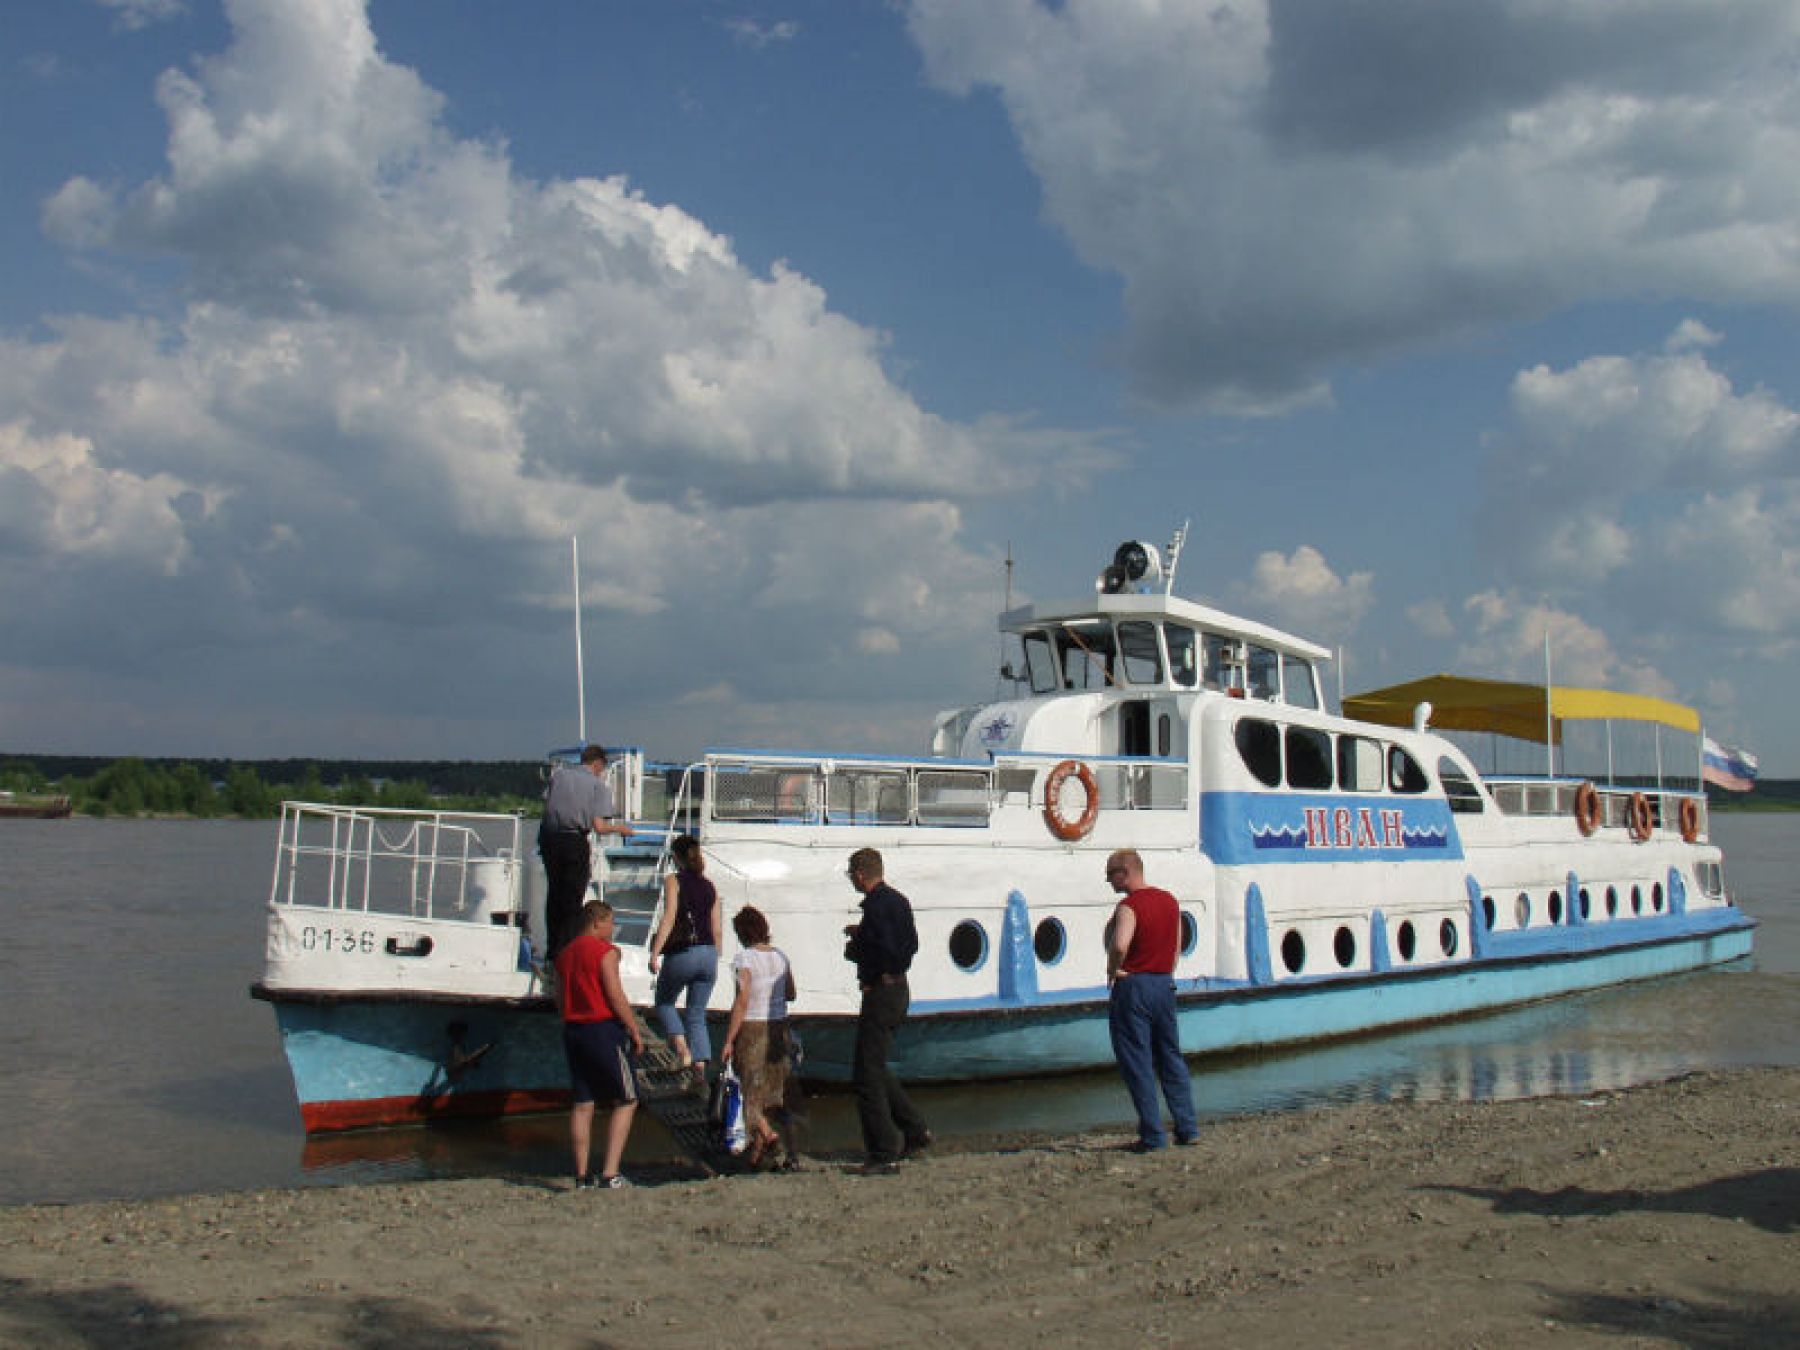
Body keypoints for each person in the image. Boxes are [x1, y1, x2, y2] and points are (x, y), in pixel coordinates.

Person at [842, 848, 932, 1174]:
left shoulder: (878, 906)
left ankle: (883, 1151)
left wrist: (858, 949)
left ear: (861, 874)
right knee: (876, 1066)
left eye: (851, 873)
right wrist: (864, 936)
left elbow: (885, 947)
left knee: (865, 1075)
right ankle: (915, 1129)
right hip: (898, 988)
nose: (851, 878)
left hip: (882, 990)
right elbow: (909, 943)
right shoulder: (897, 900)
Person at [1103, 849, 1199, 1151]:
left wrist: (1113, 967)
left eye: (1110, 875)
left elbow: (1120, 943)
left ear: (1125, 873)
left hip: (1134, 985)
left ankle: (1153, 1135)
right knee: (1171, 1057)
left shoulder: (1129, 906)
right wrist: (1167, 971)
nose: (1108, 881)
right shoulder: (1170, 901)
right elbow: (1177, 945)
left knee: (1138, 1062)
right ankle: (1188, 1127)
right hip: (1163, 984)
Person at [555, 899, 643, 1189]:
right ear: (597, 922)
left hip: (573, 1029)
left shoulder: (564, 954)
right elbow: (614, 993)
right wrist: (633, 1028)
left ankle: (581, 1176)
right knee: (627, 1099)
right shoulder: (605, 953)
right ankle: (610, 1172)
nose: (613, 928)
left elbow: (559, 996)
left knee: (582, 1103)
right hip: (601, 1028)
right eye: (611, 922)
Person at [719, 904, 800, 1170]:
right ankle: (789, 1154)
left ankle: (768, 1135)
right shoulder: (781, 957)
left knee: (749, 1093)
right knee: (778, 1094)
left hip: (753, 1028)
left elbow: (742, 1001)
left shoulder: (743, 960)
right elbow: (791, 993)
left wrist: (729, 1039)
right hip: (779, 1027)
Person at [538, 745, 633, 960]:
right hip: (574, 841)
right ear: (597, 763)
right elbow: (599, 827)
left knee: (554, 895)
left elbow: (548, 804)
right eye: (602, 768)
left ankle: (552, 949)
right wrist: (620, 828)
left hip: (549, 838)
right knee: (572, 899)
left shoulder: (559, 776)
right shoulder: (598, 787)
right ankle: (567, 951)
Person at [648, 834, 721, 1077]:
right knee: (697, 1013)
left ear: (676, 858)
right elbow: (716, 927)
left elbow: (669, 918)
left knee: (665, 1002)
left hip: (684, 953)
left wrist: (655, 953)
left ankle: (683, 1052)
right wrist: (715, 955)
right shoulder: (709, 885)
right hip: (709, 954)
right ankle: (700, 1070)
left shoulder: (674, 881)